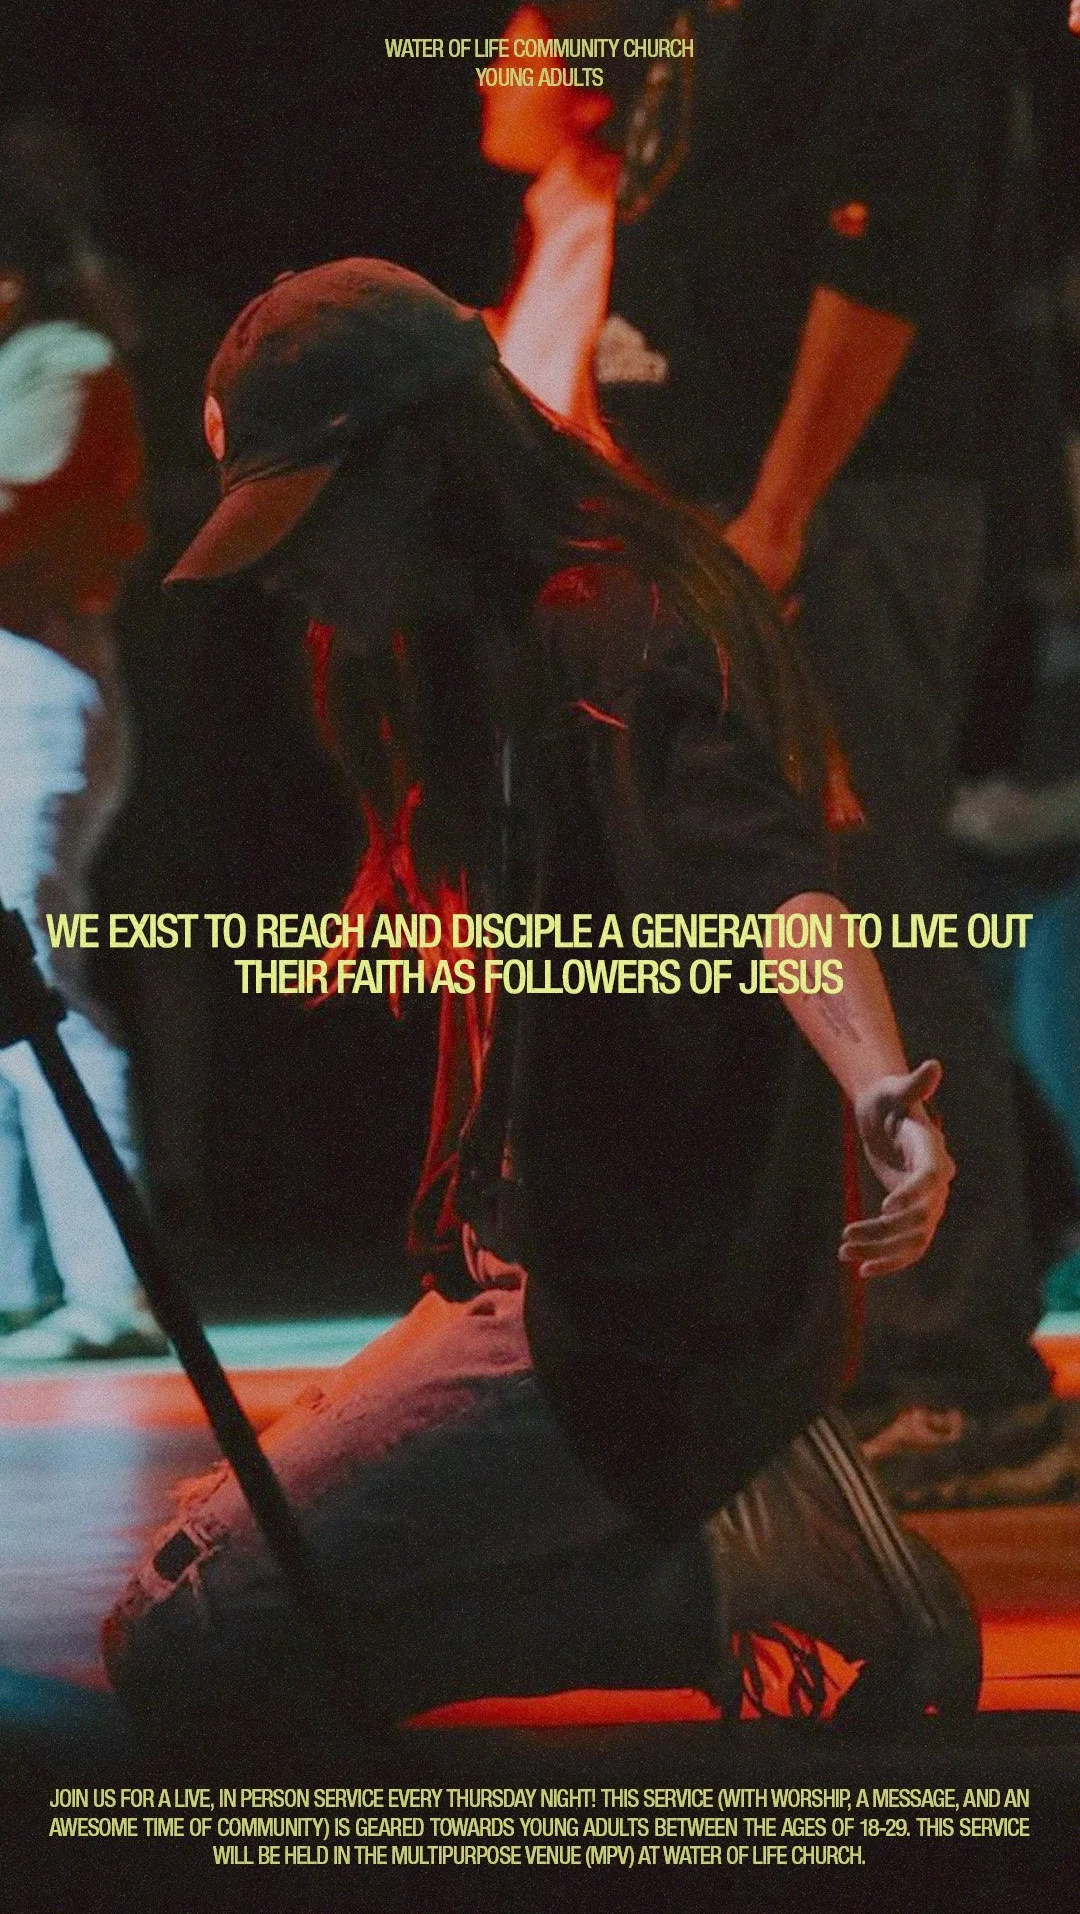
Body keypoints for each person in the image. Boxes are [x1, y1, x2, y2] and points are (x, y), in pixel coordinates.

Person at [102, 260, 977, 1726]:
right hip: (552, 1292)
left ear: (419, 466)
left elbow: (778, 889)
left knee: (186, 1650)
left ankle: (733, 1566)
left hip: (628, 1332)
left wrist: (883, 1092)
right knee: (205, 1563)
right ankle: (721, 1544)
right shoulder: (468, 638)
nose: (284, 571)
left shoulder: (611, 628)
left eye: (307, 518)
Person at [476, 0, 1072, 1510]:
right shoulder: (706, 17)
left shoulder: (889, 17)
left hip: (833, 514)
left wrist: (787, 507)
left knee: (866, 913)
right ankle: (856, 1352)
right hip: (725, 510)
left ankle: (964, 1375)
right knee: (773, 921)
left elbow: (890, 249)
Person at [0, 181, 165, 1360]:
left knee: (39, 973)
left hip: (35, 681)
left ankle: (108, 1286)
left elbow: (22, 507)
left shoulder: (66, 357)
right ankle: (22, 1278)